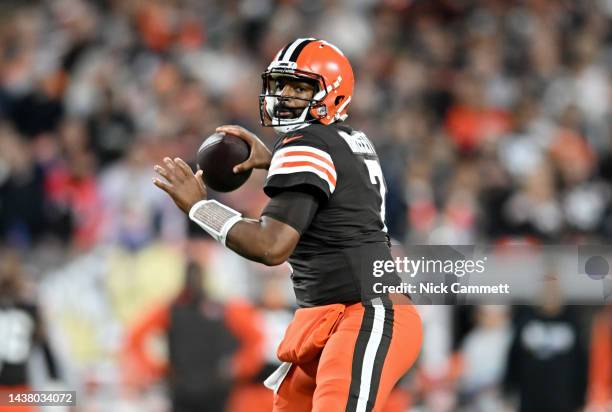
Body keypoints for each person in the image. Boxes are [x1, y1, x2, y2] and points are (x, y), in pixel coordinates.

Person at [152, 38, 423, 412]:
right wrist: (277, 160)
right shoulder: (347, 139)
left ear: (334, 94)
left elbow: (271, 246)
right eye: (281, 85)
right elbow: (338, 189)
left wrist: (200, 207)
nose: (285, 96)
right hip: (330, 319)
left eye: (301, 87)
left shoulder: (305, 143)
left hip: (363, 313)